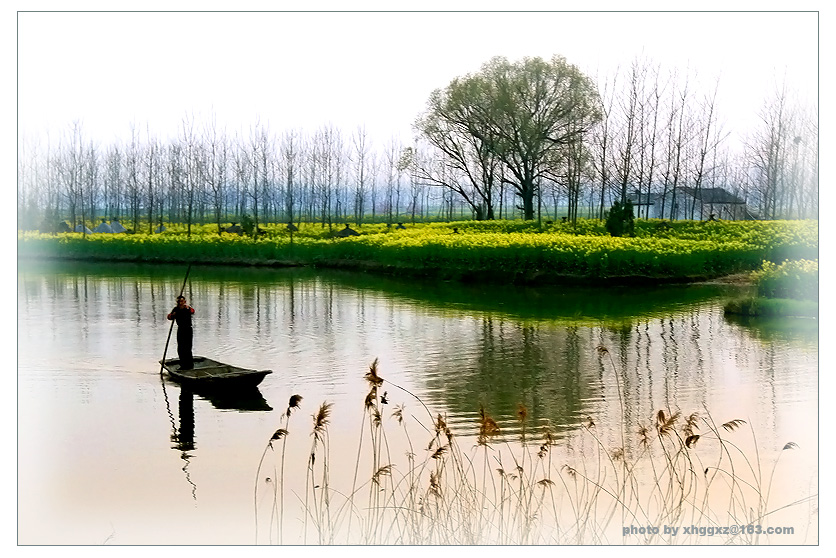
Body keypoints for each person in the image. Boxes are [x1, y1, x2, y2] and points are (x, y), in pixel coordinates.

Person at [167, 295, 195, 370]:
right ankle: (183, 364)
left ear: (184, 302)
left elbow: (192, 311)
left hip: (188, 330)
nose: (180, 303)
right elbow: (169, 317)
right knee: (181, 348)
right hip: (181, 330)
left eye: (182, 301)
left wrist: (188, 308)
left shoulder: (187, 308)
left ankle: (190, 365)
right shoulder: (176, 309)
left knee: (188, 348)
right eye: (179, 301)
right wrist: (173, 315)